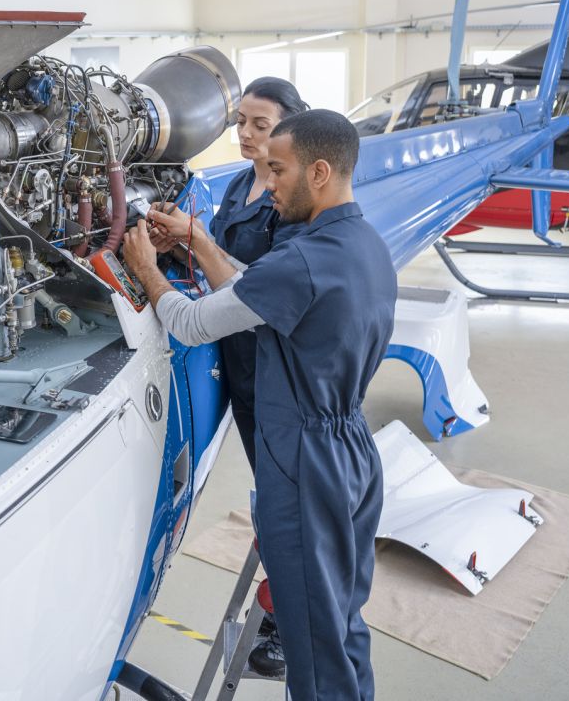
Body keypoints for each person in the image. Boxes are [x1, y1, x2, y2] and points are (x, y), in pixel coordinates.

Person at [123, 110, 397, 701]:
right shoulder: (362, 246)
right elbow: (256, 288)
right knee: (343, 630)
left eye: (278, 169)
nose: (266, 183)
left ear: (319, 172)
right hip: (353, 454)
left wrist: (147, 271)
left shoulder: (303, 260)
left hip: (304, 470)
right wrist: (199, 240)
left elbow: (193, 324)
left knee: (311, 652)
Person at [148, 77, 308, 473]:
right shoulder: (240, 183)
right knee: (260, 458)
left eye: (260, 125)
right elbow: (217, 256)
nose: (246, 133)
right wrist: (181, 246)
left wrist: (192, 240)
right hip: (236, 351)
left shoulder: (289, 200)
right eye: (240, 122)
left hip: (271, 357)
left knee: (282, 471)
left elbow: (266, 290)